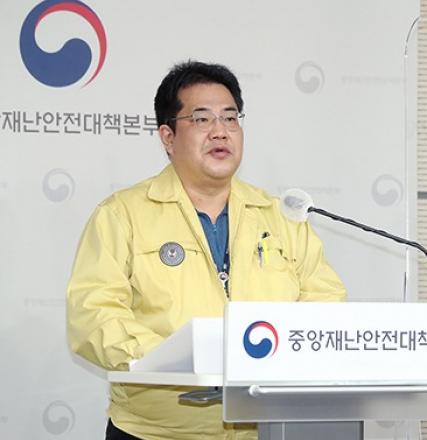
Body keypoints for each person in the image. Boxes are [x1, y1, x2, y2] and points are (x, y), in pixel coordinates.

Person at [66, 61, 346, 440]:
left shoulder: (281, 216)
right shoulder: (122, 215)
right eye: (202, 119)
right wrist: (182, 359)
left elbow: (326, 303)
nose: (220, 131)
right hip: (155, 433)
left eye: (230, 118)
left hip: (262, 428)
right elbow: (93, 315)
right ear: (168, 137)